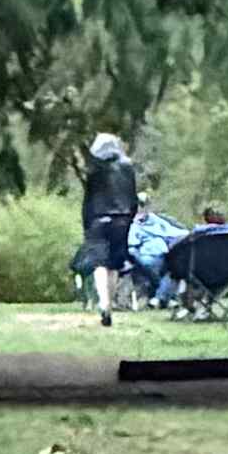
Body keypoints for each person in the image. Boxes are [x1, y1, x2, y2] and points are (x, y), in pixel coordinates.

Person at [81, 129, 142, 321]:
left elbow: (88, 199)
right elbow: (132, 197)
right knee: (115, 264)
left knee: (99, 262)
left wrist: (86, 222)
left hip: (98, 218)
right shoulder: (127, 167)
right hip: (122, 219)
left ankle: (103, 303)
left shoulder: (94, 170)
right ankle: (111, 304)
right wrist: (130, 217)